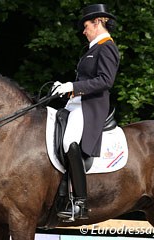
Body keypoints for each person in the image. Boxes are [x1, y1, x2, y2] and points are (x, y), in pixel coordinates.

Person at [52, 3, 120, 219]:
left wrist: (73, 87)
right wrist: (64, 87)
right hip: (77, 103)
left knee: (68, 141)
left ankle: (79, 202)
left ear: (98, 22)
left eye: (86, 25)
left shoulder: (107, 47)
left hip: (91, 106)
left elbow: (105, 81)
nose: (83, 31)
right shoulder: (92, 49)